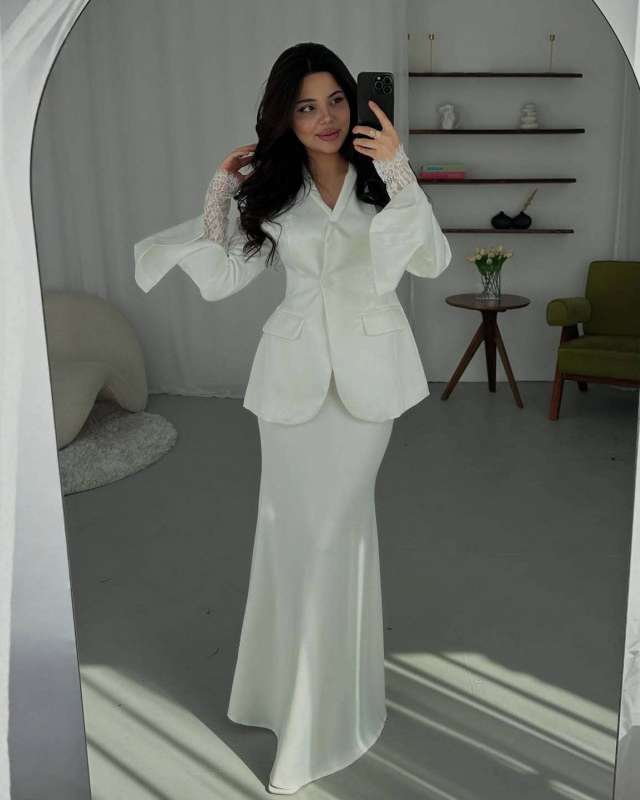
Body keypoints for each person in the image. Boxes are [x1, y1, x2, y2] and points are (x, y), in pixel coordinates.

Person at [134, 42, 451, 795]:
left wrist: (400, 170)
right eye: (306, 107)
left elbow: (432, 261)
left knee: (337, 536)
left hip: (368, 386)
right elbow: (222, 276)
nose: (325, 117)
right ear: (286, 117)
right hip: (291, 389)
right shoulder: (274, 194)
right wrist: (219, 192)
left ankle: (324, 719)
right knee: (290, 540)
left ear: (355, 100)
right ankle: (284, 700)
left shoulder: (384, 181)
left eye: (335, 99)